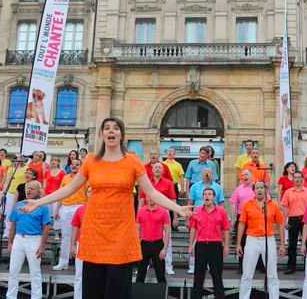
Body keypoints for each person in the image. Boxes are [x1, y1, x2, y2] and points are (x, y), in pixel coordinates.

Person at [21, 117, 191, 299]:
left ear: (121, 134)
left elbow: (152, 192)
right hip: (95, 231)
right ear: (102, 134)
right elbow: (69, 188)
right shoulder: (91, 161)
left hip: (121, 232)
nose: (111, 131)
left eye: (116, 128)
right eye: (107, 128)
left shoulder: (132, 161)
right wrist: (39, 202)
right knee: (93, 290)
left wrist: (178, 209)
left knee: (117, 291)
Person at [237, 182, 285, 299]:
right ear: (254, 190)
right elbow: (242, 223)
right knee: (247, 274)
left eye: (262, 187)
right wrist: (238, 243)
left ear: (266, 190)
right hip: (252, 239)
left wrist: (282, 244)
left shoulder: (272, 205)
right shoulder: (247, 204)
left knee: (272, 274)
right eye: (257, 188)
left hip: (268, 239)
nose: (259, 190)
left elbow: (280, 224)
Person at [6, 180, 51, 299]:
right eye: (27, 188)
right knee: (13, 271)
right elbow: (13, 224)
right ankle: (11, 297)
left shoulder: (43, 206)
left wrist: (42, 246)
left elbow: (46, 227)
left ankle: (36, 297)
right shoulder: (18, 205)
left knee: (35, 272)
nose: (28, 190)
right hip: (19, 239)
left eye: (32, 188)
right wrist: (10, 241)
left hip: (34, 239)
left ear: (38, 191)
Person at [188, 188, 230, 299]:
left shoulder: (221, 211)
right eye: (205, 194)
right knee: (198, 277)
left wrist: (226, 245)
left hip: (215, 246)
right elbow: (193, 228)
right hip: (201, 245)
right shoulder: (197, 211)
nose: (207, 196)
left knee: (217, 276)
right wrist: (190, 245)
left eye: (210, 194)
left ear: (214, 197)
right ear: (202, 197)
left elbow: (225, 229)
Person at [138, 162, 176, 275]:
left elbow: (173, 200)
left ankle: (168, 265)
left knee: (166, 240)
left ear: (163, 170)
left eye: (160, 167)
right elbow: (141, 199)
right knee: (144, 239)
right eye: (156, 167)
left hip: (163, 212)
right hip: (147, 212)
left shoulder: (168, 183)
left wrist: (175, 216)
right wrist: (138, 213)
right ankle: (147, 263)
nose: (158, 169)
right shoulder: (145, 183)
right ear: (152, 170)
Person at [53, 158, 88, 271]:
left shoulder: (85, 178)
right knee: (65, 236)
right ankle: (63, 262)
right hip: (65, 207)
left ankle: (81, 262)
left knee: (80, 236)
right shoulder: (65, 177)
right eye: (73, 164)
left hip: (79, 207)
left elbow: (89, 194)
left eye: (77, 165)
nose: (74, 166)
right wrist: (57, 209)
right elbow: (60, 193)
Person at [281, 171, 307, 274]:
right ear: (293, 179)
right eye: (295, 177)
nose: (297, 179)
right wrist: (285, 220)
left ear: (302, 179)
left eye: (299, 177)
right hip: (293, 219)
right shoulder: (288, 192)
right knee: (292, 244)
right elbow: (285, 207)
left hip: (306, 220)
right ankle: (291, 267)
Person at [229, 169, 262, 273]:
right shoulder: (238, 189)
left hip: (256, 218)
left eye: (246, 174)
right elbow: (233, 203)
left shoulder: (258, 187)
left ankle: (260, 265)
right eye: (242, 175)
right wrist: (233, 218)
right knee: (242, 242)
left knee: (258, 241)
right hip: (242, 217)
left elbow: (266, 200)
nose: (244, 176)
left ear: (252, 176)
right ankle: (241, 266)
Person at [136, 195, 170, 284]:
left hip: (158, 244)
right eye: (149, 197)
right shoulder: (140, 211)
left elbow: (167, 232)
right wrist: (137, 245)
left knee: (160, 275)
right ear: (146, 198)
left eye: (153, 197)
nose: (151, 199)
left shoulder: (163, 212)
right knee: (140, 274)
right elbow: (137, 229)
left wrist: (165, 249)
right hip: (144, 244)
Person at [2, 155, 27, 238]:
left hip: (21, 193)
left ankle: (18, 231)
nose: (18, 160)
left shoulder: (26, 168)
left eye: (20, 158)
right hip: (10, 192)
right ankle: (7, 232)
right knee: (9, 212)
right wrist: (4, 190)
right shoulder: (11, 169)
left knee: (20, 212)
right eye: (16, 158)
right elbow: (7, 181)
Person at [70, 199, 87, 299]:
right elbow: (75, 227)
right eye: (89, 191)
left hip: (97, 245)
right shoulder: (80, 209)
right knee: (79, 274)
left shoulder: (102, 209)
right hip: (82, 244)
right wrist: (72, 245)